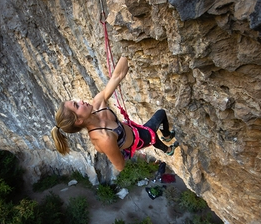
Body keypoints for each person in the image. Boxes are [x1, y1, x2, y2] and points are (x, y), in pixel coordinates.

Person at [51, 56, 179, 171]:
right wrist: (116, 148)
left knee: (156, 138)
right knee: (159, 119)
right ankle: (168, 142)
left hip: (133, 129)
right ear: (78, 120)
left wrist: (126, 53)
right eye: (76, 105)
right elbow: (120, 166)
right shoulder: (104, 138)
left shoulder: (98, 103)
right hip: (140, 138)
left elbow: (117, 76)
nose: (81, 101)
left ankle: (168, 145)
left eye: (76, 101)